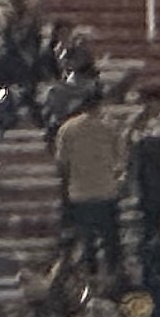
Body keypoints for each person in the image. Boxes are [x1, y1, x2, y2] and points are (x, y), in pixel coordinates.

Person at [53, 90, 127, 273]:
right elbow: (122, 159)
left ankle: (90, 274)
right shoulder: (110, 127)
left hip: (79, 193)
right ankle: (113, 274)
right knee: (111, 238)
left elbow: (62, 162)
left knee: (86, 239)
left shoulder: (67, 129)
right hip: (106, 191)